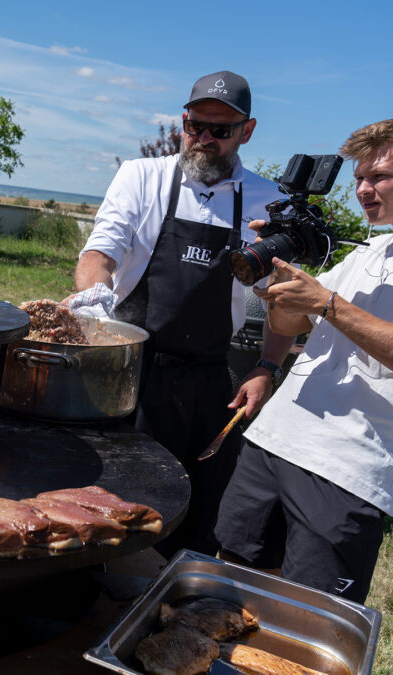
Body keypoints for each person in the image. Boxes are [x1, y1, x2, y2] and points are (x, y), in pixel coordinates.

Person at [68, 71, 294, 555]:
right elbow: (100, 253)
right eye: (196, 126)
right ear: (183, 121)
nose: (204, 139)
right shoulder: (141, 175)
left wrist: (267, 368)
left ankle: (173, 600)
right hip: (133, 373)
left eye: (221, 131)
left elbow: (282, 297)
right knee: (116, 501)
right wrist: (94, 296)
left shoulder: (266, 199)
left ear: (246, 132)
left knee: (193, 513)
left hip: (212, 381)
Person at [214, 120, 393, 603]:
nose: (362, 189)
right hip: (276, 440)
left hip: (346, 467)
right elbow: (292, 325)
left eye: (378, 176)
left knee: (306, 615)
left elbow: (324, 307)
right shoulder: (371, 250)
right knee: (230, 578)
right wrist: (275, 285)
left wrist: (326, 303)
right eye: (359, 178)